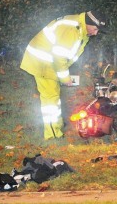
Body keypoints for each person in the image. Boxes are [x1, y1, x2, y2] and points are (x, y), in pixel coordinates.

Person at [20, 11, 107, 140]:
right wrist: (65, 78)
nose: (95, 33)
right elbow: (59, 57)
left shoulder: (80, 28)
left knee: (54, 96)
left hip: (49, 62)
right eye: (95, 29)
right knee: (50, 102)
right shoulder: (72, 30)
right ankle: (53, 135)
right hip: (43, 63)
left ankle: (57, 125)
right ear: (88, 23)